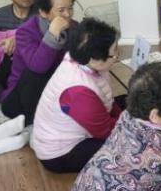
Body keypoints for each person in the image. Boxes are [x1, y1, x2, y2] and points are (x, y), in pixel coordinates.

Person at [32, 18, 124, 173]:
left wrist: (124, 116)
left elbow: (108, 99)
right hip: (61, 154)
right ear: (95, 59)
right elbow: (107, 131)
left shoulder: (80, 57)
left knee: (132, 102)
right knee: (129, 146)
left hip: (80, 125)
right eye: (114, 52)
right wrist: (130, 123)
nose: (117, 55)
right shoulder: (79, 91)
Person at [0, 0, 77, 125]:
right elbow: (38, 67)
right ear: (43, 12)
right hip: (19, 100)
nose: (68, 14)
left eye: (70, 8)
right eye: (61, 10)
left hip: (53, 93)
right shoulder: (25, 32)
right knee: (36, 71)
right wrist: (52, 33)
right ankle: (33, 126)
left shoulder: (74, 27)